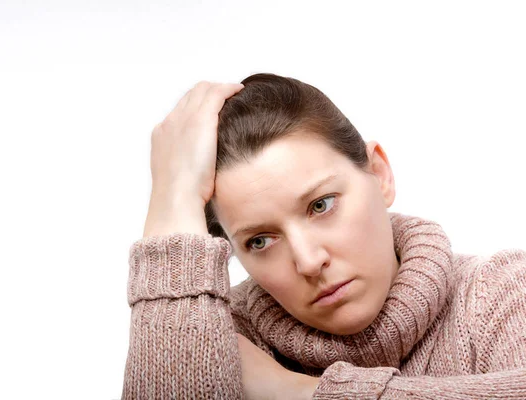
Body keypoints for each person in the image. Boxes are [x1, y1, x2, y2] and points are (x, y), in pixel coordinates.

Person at [120, 73, 526, 399]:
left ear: (379, 174)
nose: (309, 261)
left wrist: (298, 391)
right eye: (259, 241)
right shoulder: (214, 336)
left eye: (321, 205)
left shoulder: (497, 294)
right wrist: (171, 204)